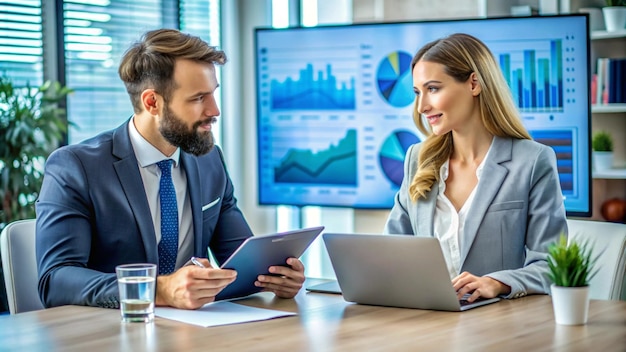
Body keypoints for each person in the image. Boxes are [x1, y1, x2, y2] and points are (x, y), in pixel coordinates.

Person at [36, 29, 305, 310]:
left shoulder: (210, 160)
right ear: (152, 102)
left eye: (213, 94)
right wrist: (158, 290)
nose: (215, 110)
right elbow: (55, 281)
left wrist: (276, 276)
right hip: (111, 333)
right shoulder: (75, 167)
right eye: (198, 98)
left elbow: (240, 262)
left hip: (194, 332)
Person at [384, 33, 566, 303]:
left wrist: (498, 282)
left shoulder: (533, 161)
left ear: (474, 84)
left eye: (433, 89)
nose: (422, 106)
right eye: (417, 93)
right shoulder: (417, 159)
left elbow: (553, 265)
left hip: (495, 324)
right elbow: (390, 253)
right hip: (425, 318)